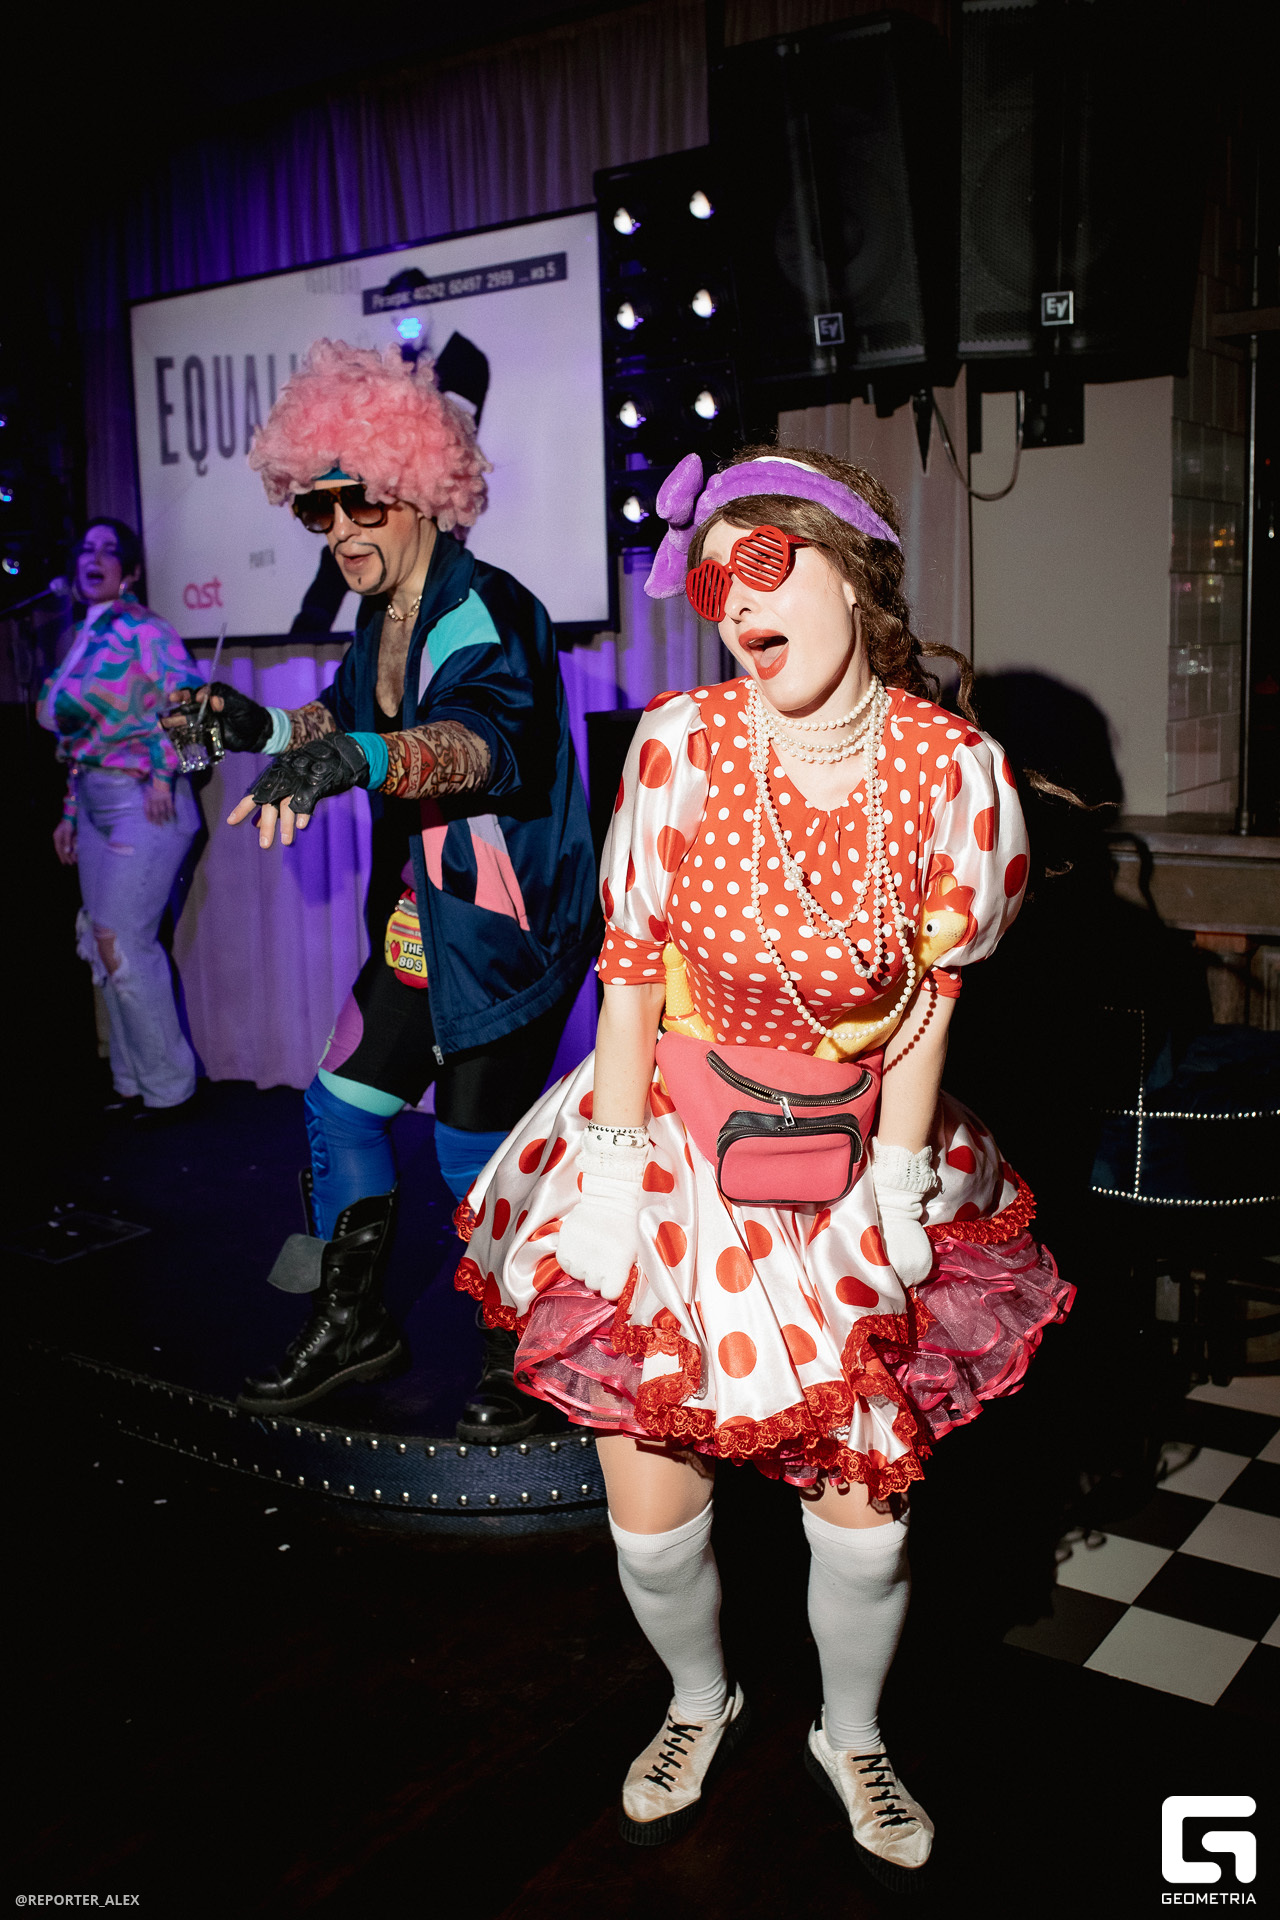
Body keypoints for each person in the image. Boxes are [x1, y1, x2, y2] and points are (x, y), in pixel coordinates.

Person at [454, 447, 1074, 1889]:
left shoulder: (953, 772)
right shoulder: (679, 742)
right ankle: (699, 1702)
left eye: (763, 565)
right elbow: (628, 966)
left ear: (853, 572)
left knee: (866, 1536)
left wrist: (902, 1183)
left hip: (851, 1158)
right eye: (709, 580)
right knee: (650, 1522)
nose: (731, 604)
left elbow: (929, 998)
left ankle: (849, 1736)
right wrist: (612, 1172)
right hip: (671, 1148)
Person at [178, 340, 599, 1438]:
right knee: (341, 1109)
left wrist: (356, 759)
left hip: (506, 930)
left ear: (418, 486)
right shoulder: (379, 615)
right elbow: (344, 719)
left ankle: (521, 1348)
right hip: (420, 923)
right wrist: (260, 728)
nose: (339, 531)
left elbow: (481, 742)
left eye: (357, 501)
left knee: (472, 1154)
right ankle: (355, 1322)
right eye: (316, 511)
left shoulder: (491, 609)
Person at [38, 518, 203, 1115]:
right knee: (98, 939)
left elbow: (185, 702)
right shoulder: (79, 636)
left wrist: (164, 774)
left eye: (110, 551)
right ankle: (132, 1083)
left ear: (130, 571)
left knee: (122, 942)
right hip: (92, 802)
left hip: (143, 799)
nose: (95, 557)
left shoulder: (145, 629)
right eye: (87, 548)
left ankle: (170, 1090)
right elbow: (80, 740)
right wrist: (68, 812)